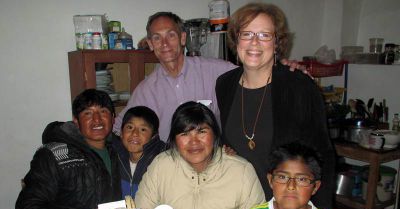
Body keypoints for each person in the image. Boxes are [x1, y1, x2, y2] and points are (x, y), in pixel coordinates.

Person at [216, 3, 336, 209]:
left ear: (277, 43)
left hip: (287, 205)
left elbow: (323, 152)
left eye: (264, 35)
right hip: (239, 203)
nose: (254, 42)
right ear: (236, 41)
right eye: (247, 34)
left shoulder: (299, 86)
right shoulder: (224, 84)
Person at [113, 11, 304, 140]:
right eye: (157, 37)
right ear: (150, 43)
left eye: (170, 35)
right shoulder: (146, 90)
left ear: (182, 38)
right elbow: (118, 129)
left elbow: (254, 71)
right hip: (171, 168)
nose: (164, 43)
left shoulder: (215, 71)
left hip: (217, 163)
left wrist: (281, 68)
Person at [135, 101, 265, 209]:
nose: (194, 142)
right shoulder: (161, 165)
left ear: (215, 134)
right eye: (184, 133)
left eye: (202, 131)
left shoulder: (241, 172)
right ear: (174, 138)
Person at [14, 89, 122, 209]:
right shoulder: (55, 155)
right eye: (88, 113)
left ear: (113, 118)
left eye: (103, 111)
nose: (97, 119)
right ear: (76, 121)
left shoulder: (120, 151)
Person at [113, 106, 166, 198]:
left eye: (143, 129)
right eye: (130, 127)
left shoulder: (163, 159)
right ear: (121, 132)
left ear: (154, 136)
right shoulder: (114, 154)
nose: (134, 134)